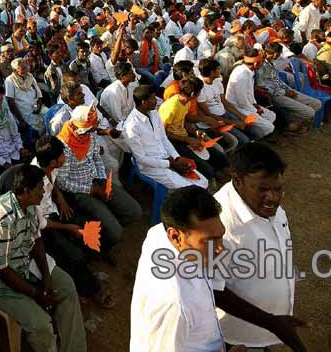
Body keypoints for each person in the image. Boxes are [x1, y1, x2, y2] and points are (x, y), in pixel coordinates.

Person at [130, 185, 306, 351]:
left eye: (220, 235)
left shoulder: (160, 233)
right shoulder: (175, 304)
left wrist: (272, 323)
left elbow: (214, 290)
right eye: (209, 240)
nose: (220, 248)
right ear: (175, 236)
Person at [0, 164, 86, 352]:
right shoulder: (1, 218)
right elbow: (1, 269)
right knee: (41, 326)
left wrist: (47, 279)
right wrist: (37, 294)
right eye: (40, 188)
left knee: (66, 287)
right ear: (25, 191)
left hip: (22, 261)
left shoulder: (30, 205)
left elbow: (37, 239)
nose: (43, 191)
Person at [214, 143, 296, 349]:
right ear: (237, 181)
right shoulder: (219, 226)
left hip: (268, 325)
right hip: (237, 335)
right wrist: (271, 322)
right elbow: (215, 290)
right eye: (263, 189)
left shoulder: (264, 206)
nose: (273, 198)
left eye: (278, 189)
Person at [33, 136, 113, 307]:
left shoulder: (47, 165)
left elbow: (52, 183)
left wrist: (60, 197)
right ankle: (91, 289)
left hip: (53, 210)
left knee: (89, 226)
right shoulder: (34, 183)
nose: (66, 157)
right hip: (43, 226)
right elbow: (39, 222)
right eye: (62, 155)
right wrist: (68, 227)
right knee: (73, 255)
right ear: (54, 161)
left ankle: (92, 261)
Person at [54, 105, 141, 259]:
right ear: (76, 126)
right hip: (80, 191)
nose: (92, 133)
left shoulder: (89, 134)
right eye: (88, 130)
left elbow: (96, 158)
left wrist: (101, 179)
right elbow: (62, 182)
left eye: (92, 130)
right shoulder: (64, 145)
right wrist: (92, 190)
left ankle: (105, 229)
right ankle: (101, 248)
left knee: (134, 211)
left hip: (96, 182)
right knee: (115, 232)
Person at [123, 84, 208, 189]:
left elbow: (163, 139)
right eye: (153, 98)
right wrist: (170, 164)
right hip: (151, 167)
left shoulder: (153, 113)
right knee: (193, 189)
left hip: (168, 157)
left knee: (203, 182)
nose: (156, 101)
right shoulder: (131, 126)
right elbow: (141, 159)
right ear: (144, 102)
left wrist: (177, 157)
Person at [256, 44, 322, 133]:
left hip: (282, 91)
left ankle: (293, 122)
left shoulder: (271, 63)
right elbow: (262, 86)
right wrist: (284, 92)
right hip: (274, 95)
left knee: (317, 104)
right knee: (309, 112)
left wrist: (288, 89)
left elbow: (277, 80)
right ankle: (289, 125)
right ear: (276, 54)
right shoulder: (261, 65)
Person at [225, 48, 277, 139]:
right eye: (261, 61)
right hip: (238, 108)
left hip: (247, 105)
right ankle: (256, 138)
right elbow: (242, 102)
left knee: (272, 116)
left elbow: (249, 94)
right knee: (269, 127)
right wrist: (255, 110)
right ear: (256, 63)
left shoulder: (249, 71)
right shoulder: (241, 76)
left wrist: (256, 105)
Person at [5, 57, 48, 136]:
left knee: (50, 116)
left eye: (26, 67)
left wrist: (39, 105)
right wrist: (21, 120)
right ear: (15, 71)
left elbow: (39, 94)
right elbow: (10, 101)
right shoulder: (9, 80)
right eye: (23, 68)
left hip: (37, 107)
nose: (26, 70)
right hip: (24, 111)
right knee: (38, 131)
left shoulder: (29, 76)